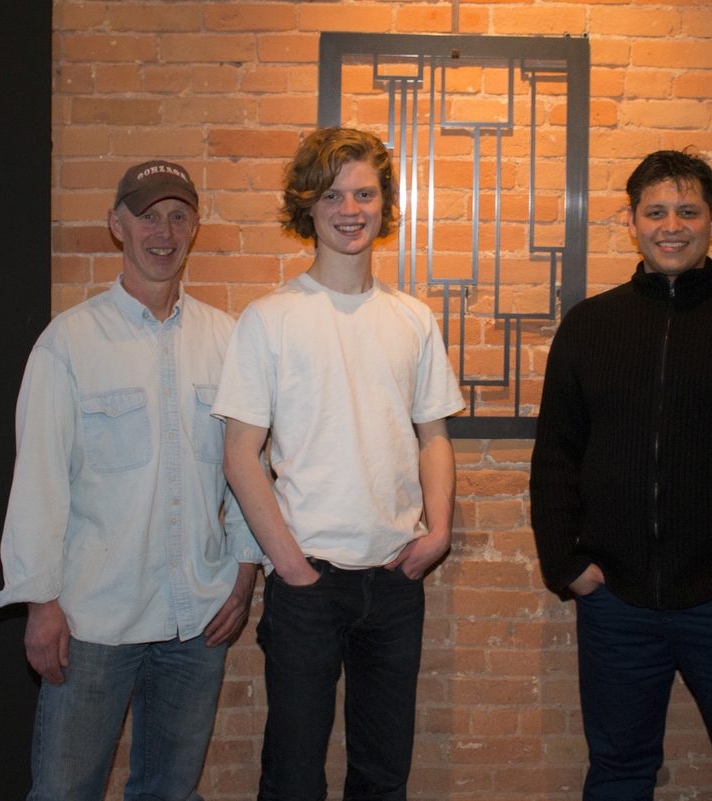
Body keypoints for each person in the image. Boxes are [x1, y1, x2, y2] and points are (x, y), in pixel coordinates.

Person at [530, 150, 712, 801]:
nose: (671, 226)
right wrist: (568, 565)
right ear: (631, 221)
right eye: (655, 211)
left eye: (688, 211)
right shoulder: (590, 326)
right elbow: (555, 459)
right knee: (618, 772)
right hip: (616, 604)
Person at [0, 160, 262, 801]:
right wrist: (41, 605)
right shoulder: (67, 345)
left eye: (178, 216)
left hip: (197, 620)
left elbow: (250, 466)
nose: (163, 232)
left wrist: (246, 570)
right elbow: (38, 486)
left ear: (195, 227)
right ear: (117, 224)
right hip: (93, 622)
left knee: (170, 792)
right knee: (63, 793)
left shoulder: (228, 342)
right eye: (147, 216)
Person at [212, 127, 465, 801]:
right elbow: (239, 454)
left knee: (383, 775)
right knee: (293, 778)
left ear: (385, 204)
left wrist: (438, 532)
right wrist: (290, 565)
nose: (350, 209)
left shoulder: (413, 319)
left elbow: (434, 436)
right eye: (332, 195)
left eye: (364, 193)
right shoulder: (269, 318)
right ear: (308, 205)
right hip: (307, 584)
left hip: (395, 577)